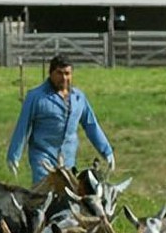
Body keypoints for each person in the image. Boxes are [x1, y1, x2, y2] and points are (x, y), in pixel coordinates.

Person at [6, 54, 114, 185]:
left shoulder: (78, 98)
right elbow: (22, 127)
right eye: (59, 73)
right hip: (43, 158)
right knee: (44, 196)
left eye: (67, 74)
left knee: (69, 197)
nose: (64, 78)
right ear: (51, 73)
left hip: (68, 159)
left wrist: (106, 151)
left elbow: (91, 125)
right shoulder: (36, 97)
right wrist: (14, 155)